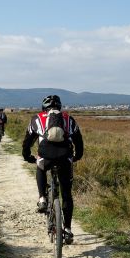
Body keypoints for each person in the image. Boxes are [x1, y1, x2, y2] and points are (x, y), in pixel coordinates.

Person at [22, 95, 83, 243]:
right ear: (60, 107)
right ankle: (67, 230)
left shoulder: (37, 119)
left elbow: (27, 142)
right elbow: (79, 141)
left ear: (44, 107)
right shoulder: (69, 119)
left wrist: (27, 156)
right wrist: (77, 156)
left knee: (41, 166)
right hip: (64, 158)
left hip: (46, 156)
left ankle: (42, 198)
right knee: (67, 194)